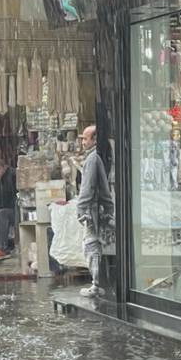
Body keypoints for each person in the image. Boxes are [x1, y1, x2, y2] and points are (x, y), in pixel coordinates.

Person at [76, 125, 114, 298]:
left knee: (91, 245)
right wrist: (108, 207)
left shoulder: (92, 159)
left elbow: (88, 187)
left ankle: (96, 284)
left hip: (92, 209)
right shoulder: (98, 157)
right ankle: (99, 282)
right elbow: (104, 188)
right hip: (98, 207)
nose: (83, 142)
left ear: (94, 139)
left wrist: (80, 209)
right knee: (95, 244)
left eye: (86, 138)